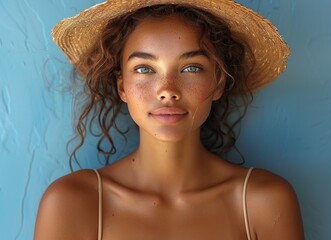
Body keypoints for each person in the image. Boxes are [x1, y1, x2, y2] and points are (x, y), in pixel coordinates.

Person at [35, 1, 304, 239]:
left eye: (191, 68)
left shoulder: (264, 202)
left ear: (218, 82)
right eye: (144, 69)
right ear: (122, 87)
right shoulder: (73, 204)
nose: (167, 90)